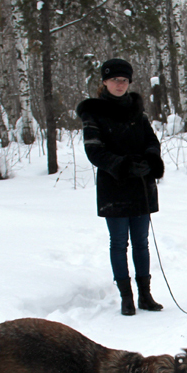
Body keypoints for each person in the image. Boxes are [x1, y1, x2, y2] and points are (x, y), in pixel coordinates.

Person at [75, 58, 165, 316]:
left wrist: (149, 161)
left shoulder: (138, 111)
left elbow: (151, 141)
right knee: (118, 243)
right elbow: (94, 151)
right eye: (114, 79)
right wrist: (123, 166)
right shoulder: (94, 112)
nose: (119, 84)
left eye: (124, 80)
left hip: (140, 186)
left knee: (141, 242)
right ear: (104, 82)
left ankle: (145, 295)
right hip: (113, 187)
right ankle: (126, 297)